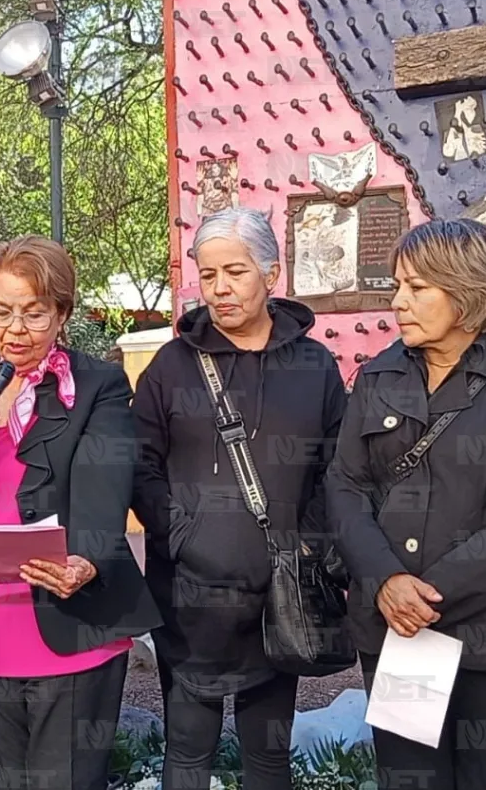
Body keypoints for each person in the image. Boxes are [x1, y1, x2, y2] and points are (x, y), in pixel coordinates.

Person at [0, 235, 161, 790]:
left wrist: (86, 561)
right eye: (2, 311)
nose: (15, 329)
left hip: (73, 617)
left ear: (61, 312)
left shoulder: (98, 386)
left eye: (33, 313)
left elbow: (106, 486)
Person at [326, 218, 486, 790]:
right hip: (400, 634)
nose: (398, 301)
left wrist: (427, 592)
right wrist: (386, 581)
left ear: (465, 294)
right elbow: (345, 486)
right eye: (398, 285)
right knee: (412, 779)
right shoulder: (377, 377)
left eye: (417, 288)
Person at [131, 208, 346, 790]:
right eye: (208, 275)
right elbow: (139, 462)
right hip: (190, 595)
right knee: (188, 752)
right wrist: (182, 533)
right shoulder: (171, 367)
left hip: (279, 596)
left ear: (270, 274)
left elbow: (337, 468)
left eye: (236, 272)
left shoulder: (314, 365)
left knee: (269, 756)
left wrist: (311, 548)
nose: (220, 289)